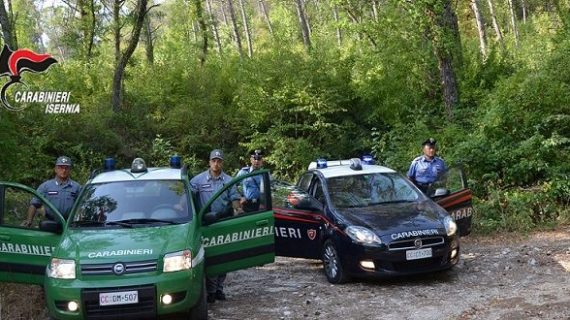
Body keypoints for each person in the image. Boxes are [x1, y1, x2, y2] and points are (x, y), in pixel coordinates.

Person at [190, 149, 241, 303]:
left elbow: (235, 200)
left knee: (224, 258)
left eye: (219, 161)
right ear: (209, 162)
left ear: (222, 163)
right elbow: (187, 198)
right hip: (207, 225)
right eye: (214, 160)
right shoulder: (198, 181)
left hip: (224, 223)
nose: (216, 163)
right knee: (210, 258)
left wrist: (238, 214)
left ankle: (219, 289)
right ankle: (210, 291)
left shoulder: (229, 180)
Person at [22, 156, 81, 227]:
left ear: (70, 170)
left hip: (70, 225)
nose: (64, 170)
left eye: (66, 168)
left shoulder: (76, 187)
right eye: (61, 167)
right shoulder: (46, 186)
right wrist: (29, 220)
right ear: (55, 169)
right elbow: (34, 204)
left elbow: (82, 206)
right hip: (50, 225)